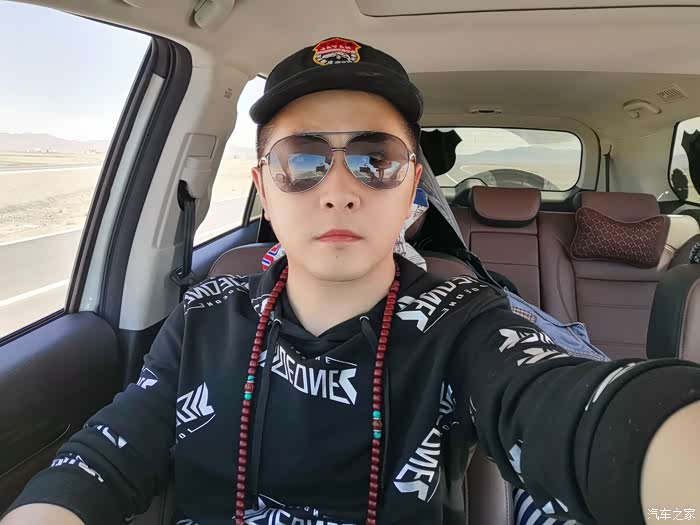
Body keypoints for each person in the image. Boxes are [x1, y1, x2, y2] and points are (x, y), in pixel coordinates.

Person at [2, 37, 700, 525]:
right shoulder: (206, 312)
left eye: (375, 161)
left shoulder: (463, 320)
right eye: (303, 162)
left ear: (413, 193)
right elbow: (105, 456)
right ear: (264, 190)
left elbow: (568, 411)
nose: (338, 191)